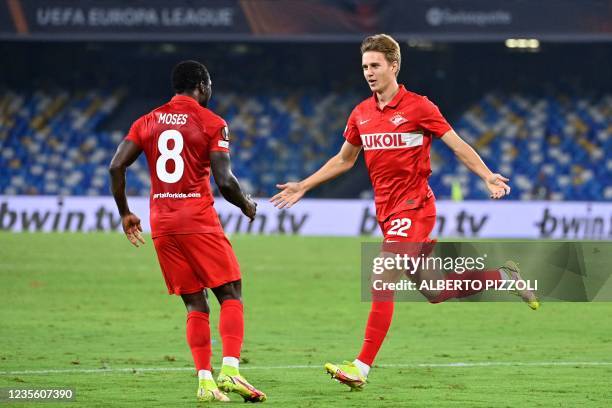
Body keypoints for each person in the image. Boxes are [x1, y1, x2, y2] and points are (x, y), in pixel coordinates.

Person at [270, 34, 538, 391]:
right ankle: (503, 277)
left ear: (393, 66)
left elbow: (457, 144)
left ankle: (360, 367)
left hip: (415, 209)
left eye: (375, 65)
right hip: (388, 214)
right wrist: (304, 185)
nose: (368, 72)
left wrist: (487, 175)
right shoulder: (361, 113)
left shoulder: (419, 107)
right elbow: (344, 160)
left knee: (381, 278)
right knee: (436, 291)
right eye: (365, 66)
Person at [109, 60, 266, 403]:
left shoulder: (147, 121)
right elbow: (225, 181)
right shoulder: (211, 122)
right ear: (202, 85)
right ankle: (231, 371)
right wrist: (247, 205)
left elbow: (116, 165)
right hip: (196, 219)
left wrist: (125, 213)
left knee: (195, 301)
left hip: (162, 223)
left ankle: (205, 381)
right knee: (230, 292)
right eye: (209, 86)